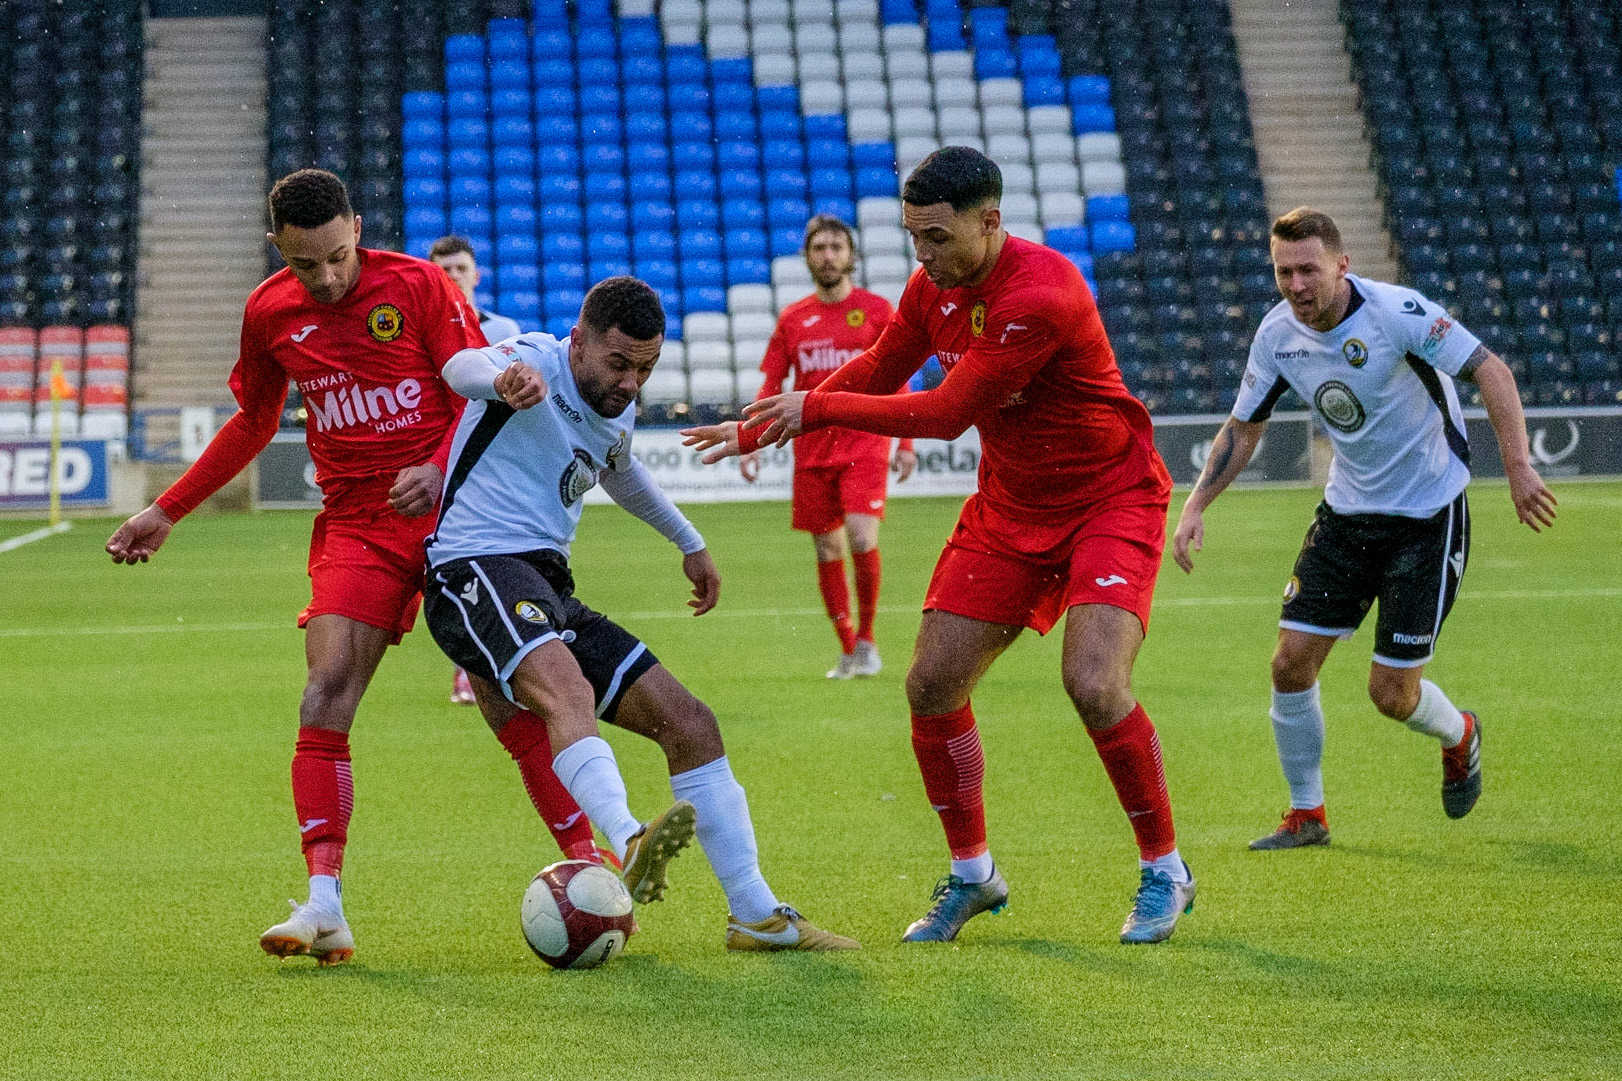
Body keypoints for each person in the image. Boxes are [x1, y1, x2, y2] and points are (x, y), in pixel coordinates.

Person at [683, 147, 1196, 945]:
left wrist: (814, 411)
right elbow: (884, 367)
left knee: (1094, 682)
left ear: (989, 221)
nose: (921, 257)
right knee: (930, 683)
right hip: (1010, 505)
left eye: (936, 238)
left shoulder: (1043, 291)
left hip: (1109, 497)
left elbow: (946, 411)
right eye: (912, 237)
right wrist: (767, 416)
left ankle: (1166, 868)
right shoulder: (935, 287)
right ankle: (972, 875)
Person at [103, 169, 601, 966]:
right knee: (325, 687)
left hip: (457, 522)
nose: (328, 277)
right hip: (359, 527)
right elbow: (254, 422)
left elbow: (473, 393)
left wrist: (439, 468)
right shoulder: (269, 312)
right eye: (307, 264)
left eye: (339, 255)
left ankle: (595, 870)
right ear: (279, 251)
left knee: (512, 707)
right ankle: (324, 902)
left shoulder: (420, 285)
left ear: (357, 227)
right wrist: (167, 508)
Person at [425, 274, 859, 952]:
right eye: (619, 362)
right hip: (472, 566)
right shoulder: (534, 356)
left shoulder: (614, 403)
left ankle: (756, 914)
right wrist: (501, 380)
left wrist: (689, 541)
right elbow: (461, 366)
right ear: (580, 341)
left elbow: (618, 467)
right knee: (565, 687)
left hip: (546, 581)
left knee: (690, 722)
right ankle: (627, 837)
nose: (631, 381)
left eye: (646, 368)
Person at [1172, 206, 1557, 849]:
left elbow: (1491, 368)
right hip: (1347, 515)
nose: (1295, 285)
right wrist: (1195, 505)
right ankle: (1306, 814)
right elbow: (1245, 426)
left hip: (1427, 517)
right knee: (1290, 665)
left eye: (1308, 270)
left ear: (1342, 266)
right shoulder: (1276, 335)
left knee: (1390, 693)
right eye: (1282, 271)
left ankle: (1460, 733)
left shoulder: (1397, 314)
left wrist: (1518, 467)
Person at [739, 214, 917, 678]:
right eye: (820, 247)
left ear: (852, 256)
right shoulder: (793, 319)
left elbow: (898, 378)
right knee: (826, 550)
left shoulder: (877, 311)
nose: (829, 255)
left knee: (860, 535)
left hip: (865, 439)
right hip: (813, 447)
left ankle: (868, 640)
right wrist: (753, 439)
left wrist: (907, 442)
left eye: (837, 247)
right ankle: (847, 648)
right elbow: (772, 382)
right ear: (808, 257)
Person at [428, 234, 522, 705]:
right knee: (455, 567)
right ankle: (472, 667)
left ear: (476, 274)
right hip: (439, 461)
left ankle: (505, 665)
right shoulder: (422, 330)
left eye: (460, 269)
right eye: (443, 271)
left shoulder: (504, 329)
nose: (452, 278)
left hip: (497, 466)